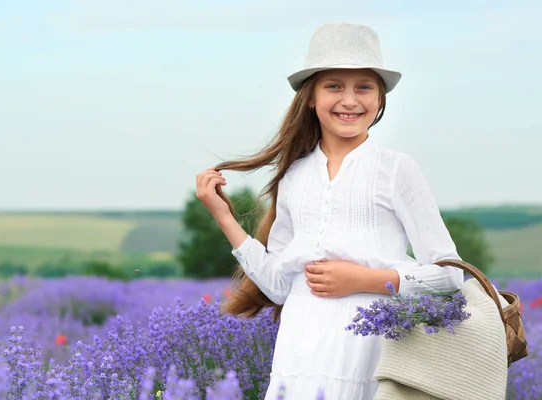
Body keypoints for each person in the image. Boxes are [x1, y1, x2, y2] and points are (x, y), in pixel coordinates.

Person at [195, 22, 464, 400]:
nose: (350, 100)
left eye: (364, 87)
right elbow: (278, 286)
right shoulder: (295, 176)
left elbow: (452, 278)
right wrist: (224, 217)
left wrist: (363, 279)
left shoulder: (396, 169)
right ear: (310, 97)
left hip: (371, 352)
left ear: (380, 98)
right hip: (299, 354)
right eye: (334, 86)